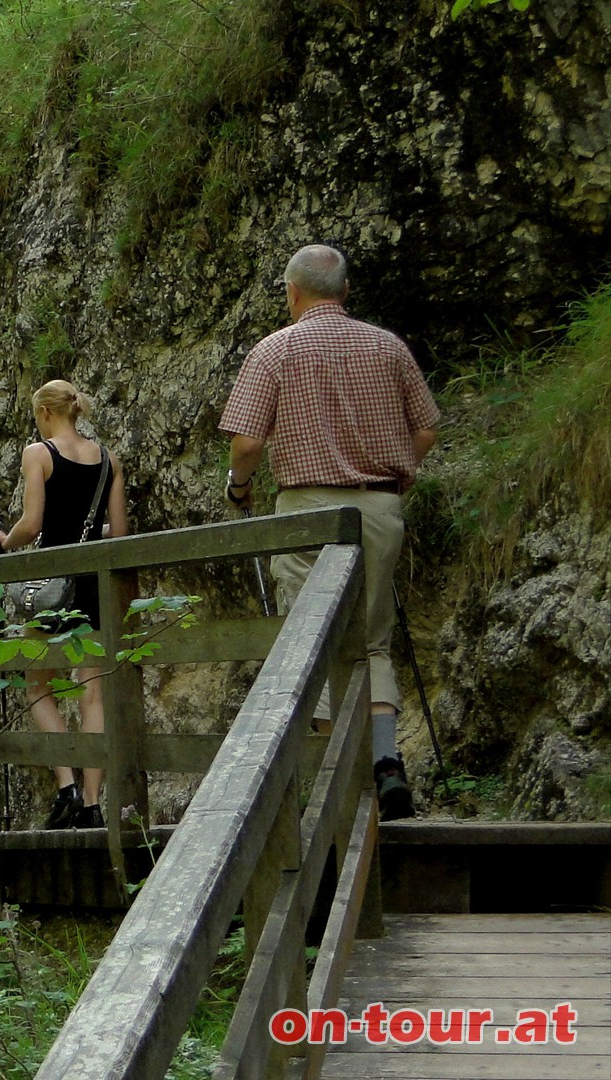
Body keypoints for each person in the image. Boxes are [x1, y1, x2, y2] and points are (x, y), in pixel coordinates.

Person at [220, 244, 439, 821]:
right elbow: (426, 426)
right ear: (345, 291)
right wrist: (400, 476)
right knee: (372, 641)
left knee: (311, 642)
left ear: (293, 293)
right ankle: (387, 764)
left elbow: (246, 443)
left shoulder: (274, 350)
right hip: (379, 506)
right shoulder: (387, 346)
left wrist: (239, 487)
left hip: (307, 512)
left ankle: (334, 783)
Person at [0, 380, 130, 829]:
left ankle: (66, 783)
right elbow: (121, 534)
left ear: (46, 413)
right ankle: (91, 804)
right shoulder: (109, 460)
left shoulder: (39, 453)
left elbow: (31, 525)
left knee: (36, 685)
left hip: (54, 586)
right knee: (93, 692)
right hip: (94, 585)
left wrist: (3, 542)